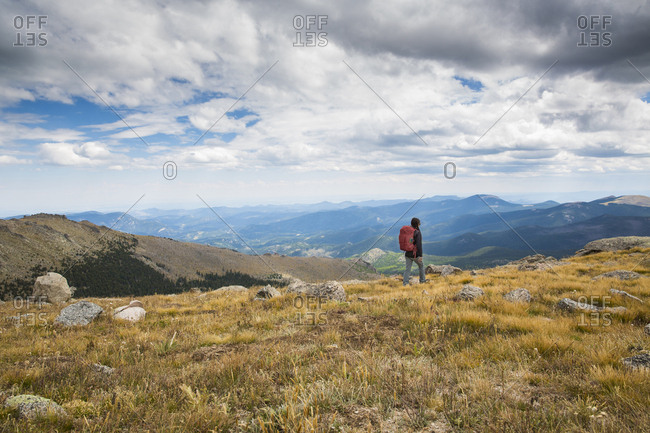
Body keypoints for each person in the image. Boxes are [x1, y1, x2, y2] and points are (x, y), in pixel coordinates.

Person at [403, 217, 426, 285]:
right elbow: (419, 245)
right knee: (421, 266)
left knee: (407, 269)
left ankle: (405, 283)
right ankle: (422, 281)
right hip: (415, 254)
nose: (420, 224)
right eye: (419, 223)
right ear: (417, 224)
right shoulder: (417, 232)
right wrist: (420, 255)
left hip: (407, 253)